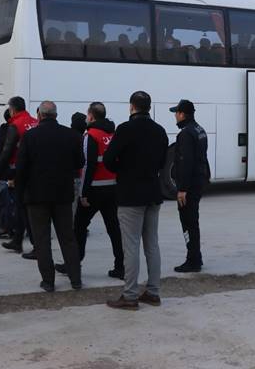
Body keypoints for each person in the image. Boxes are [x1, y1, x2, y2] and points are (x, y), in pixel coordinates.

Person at [103, 90, 169, 310]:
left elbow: (110, 160)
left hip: (130, 194)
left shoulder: (125, 129)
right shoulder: (159, 131)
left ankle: (130, 295)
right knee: (152, 244)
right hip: (153, 192)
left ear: (132, 106)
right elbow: (161, 162)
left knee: (130, 246)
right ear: (149, 107)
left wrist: (125, 168)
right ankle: (153, 292)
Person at [15, 101, 84, 292]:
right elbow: (80, 161)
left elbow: (21, 168)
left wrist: (19, 194)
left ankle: (48, 281)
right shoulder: (70, 135)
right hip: (62, 194)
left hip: (36, 195)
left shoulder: (30, 136)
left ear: (40, 115)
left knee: (42, 239)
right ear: (56, 114)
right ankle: (75, 279)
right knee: (67, 237)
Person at [61, 102, 124, 280]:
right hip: (111, 188)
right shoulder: (112, 134)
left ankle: (73, 265)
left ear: (91, 116)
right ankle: (121, 266)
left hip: (94, 190)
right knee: (114, 229)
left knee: (79, 227)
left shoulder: (91, 135)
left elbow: (88, 165)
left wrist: (83, 193)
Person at [170, 99, 210, 273]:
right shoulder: (199, 129)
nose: (175, 117)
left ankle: (192, 260)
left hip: (190, 186)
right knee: (193, 221)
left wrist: (182, 189)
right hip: (199, 181)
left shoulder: (185, 134)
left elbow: (185, 162)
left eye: (176, 113)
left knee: (188, 223)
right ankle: (196, 257)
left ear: (181, 114)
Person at [0, 96, 38, 255]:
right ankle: (17, 240)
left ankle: (35, 244)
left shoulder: (15, 125)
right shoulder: (35, 121)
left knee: (25, 208)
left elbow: (7, 150)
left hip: (19, 171)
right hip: (35, 171)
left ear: (12, 109)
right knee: (23, 208)